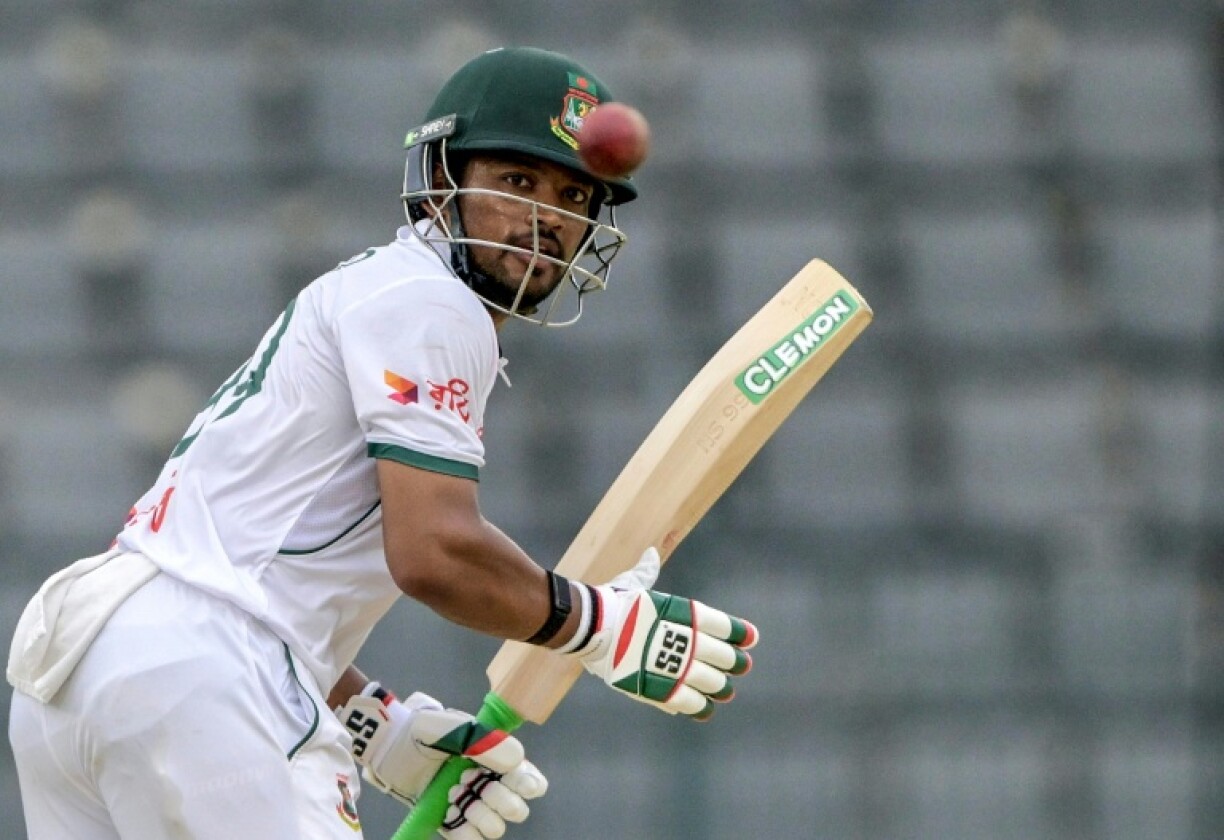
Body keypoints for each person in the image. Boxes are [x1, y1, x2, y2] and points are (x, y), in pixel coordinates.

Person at [6, 46, 758, 839]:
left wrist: (374, 723)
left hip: (81, 667)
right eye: (515, 181)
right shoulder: (436, 306)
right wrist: (603, 625)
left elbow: (254, 566)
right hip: (208, 675)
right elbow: (433, 553)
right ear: (442, 182)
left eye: (573, 194)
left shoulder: (368, 291)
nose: (546, 215)